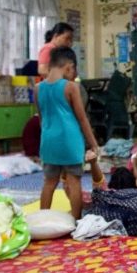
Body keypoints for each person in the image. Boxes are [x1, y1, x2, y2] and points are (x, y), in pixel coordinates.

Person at [36, 47, 99, 219]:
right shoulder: (71, 87)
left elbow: (41, 120)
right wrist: (93, 143)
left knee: (49, 183)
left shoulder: (37, 88)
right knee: (74, 182)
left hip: (48, 142)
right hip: (70, 142)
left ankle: (42, 221)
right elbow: (82, 119)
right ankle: (76, 222)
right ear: (69, 67)